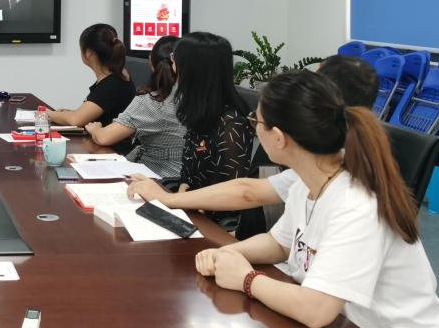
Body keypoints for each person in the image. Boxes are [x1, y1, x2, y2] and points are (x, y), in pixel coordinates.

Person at [195, 70, 439, 328]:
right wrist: (229, 253)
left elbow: (316, 310)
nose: (255, 128)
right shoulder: (310, 182)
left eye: (257, 121)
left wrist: (247, 279)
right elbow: (279, 243)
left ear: (279, 138)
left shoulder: (356, 203)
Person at [127, 54, 379, 215]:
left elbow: (248, 192)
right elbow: (249, 194)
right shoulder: (322, 168)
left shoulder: (345, 193)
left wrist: (247, 275)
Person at [169, 31, 253, 228]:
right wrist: (182, 191)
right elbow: (190, 174)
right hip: (190, 210)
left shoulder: (232, 123)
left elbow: (233, 195)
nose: (172, 65)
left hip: (213, 224)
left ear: (192, 69)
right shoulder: (202, 112)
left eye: (175, 59)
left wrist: (183, 200)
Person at [85, 35, 185, 179]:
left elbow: (104, 138)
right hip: (188, 178)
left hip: (155, 176)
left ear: (150, 61)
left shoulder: (153, 101)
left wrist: (95, 129)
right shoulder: (197, 98)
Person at [46, 23, 136, 127]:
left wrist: (47, 114)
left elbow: (76, 120)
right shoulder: (118, 73)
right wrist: (71, 113)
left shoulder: (112, 83)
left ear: (89, 52)